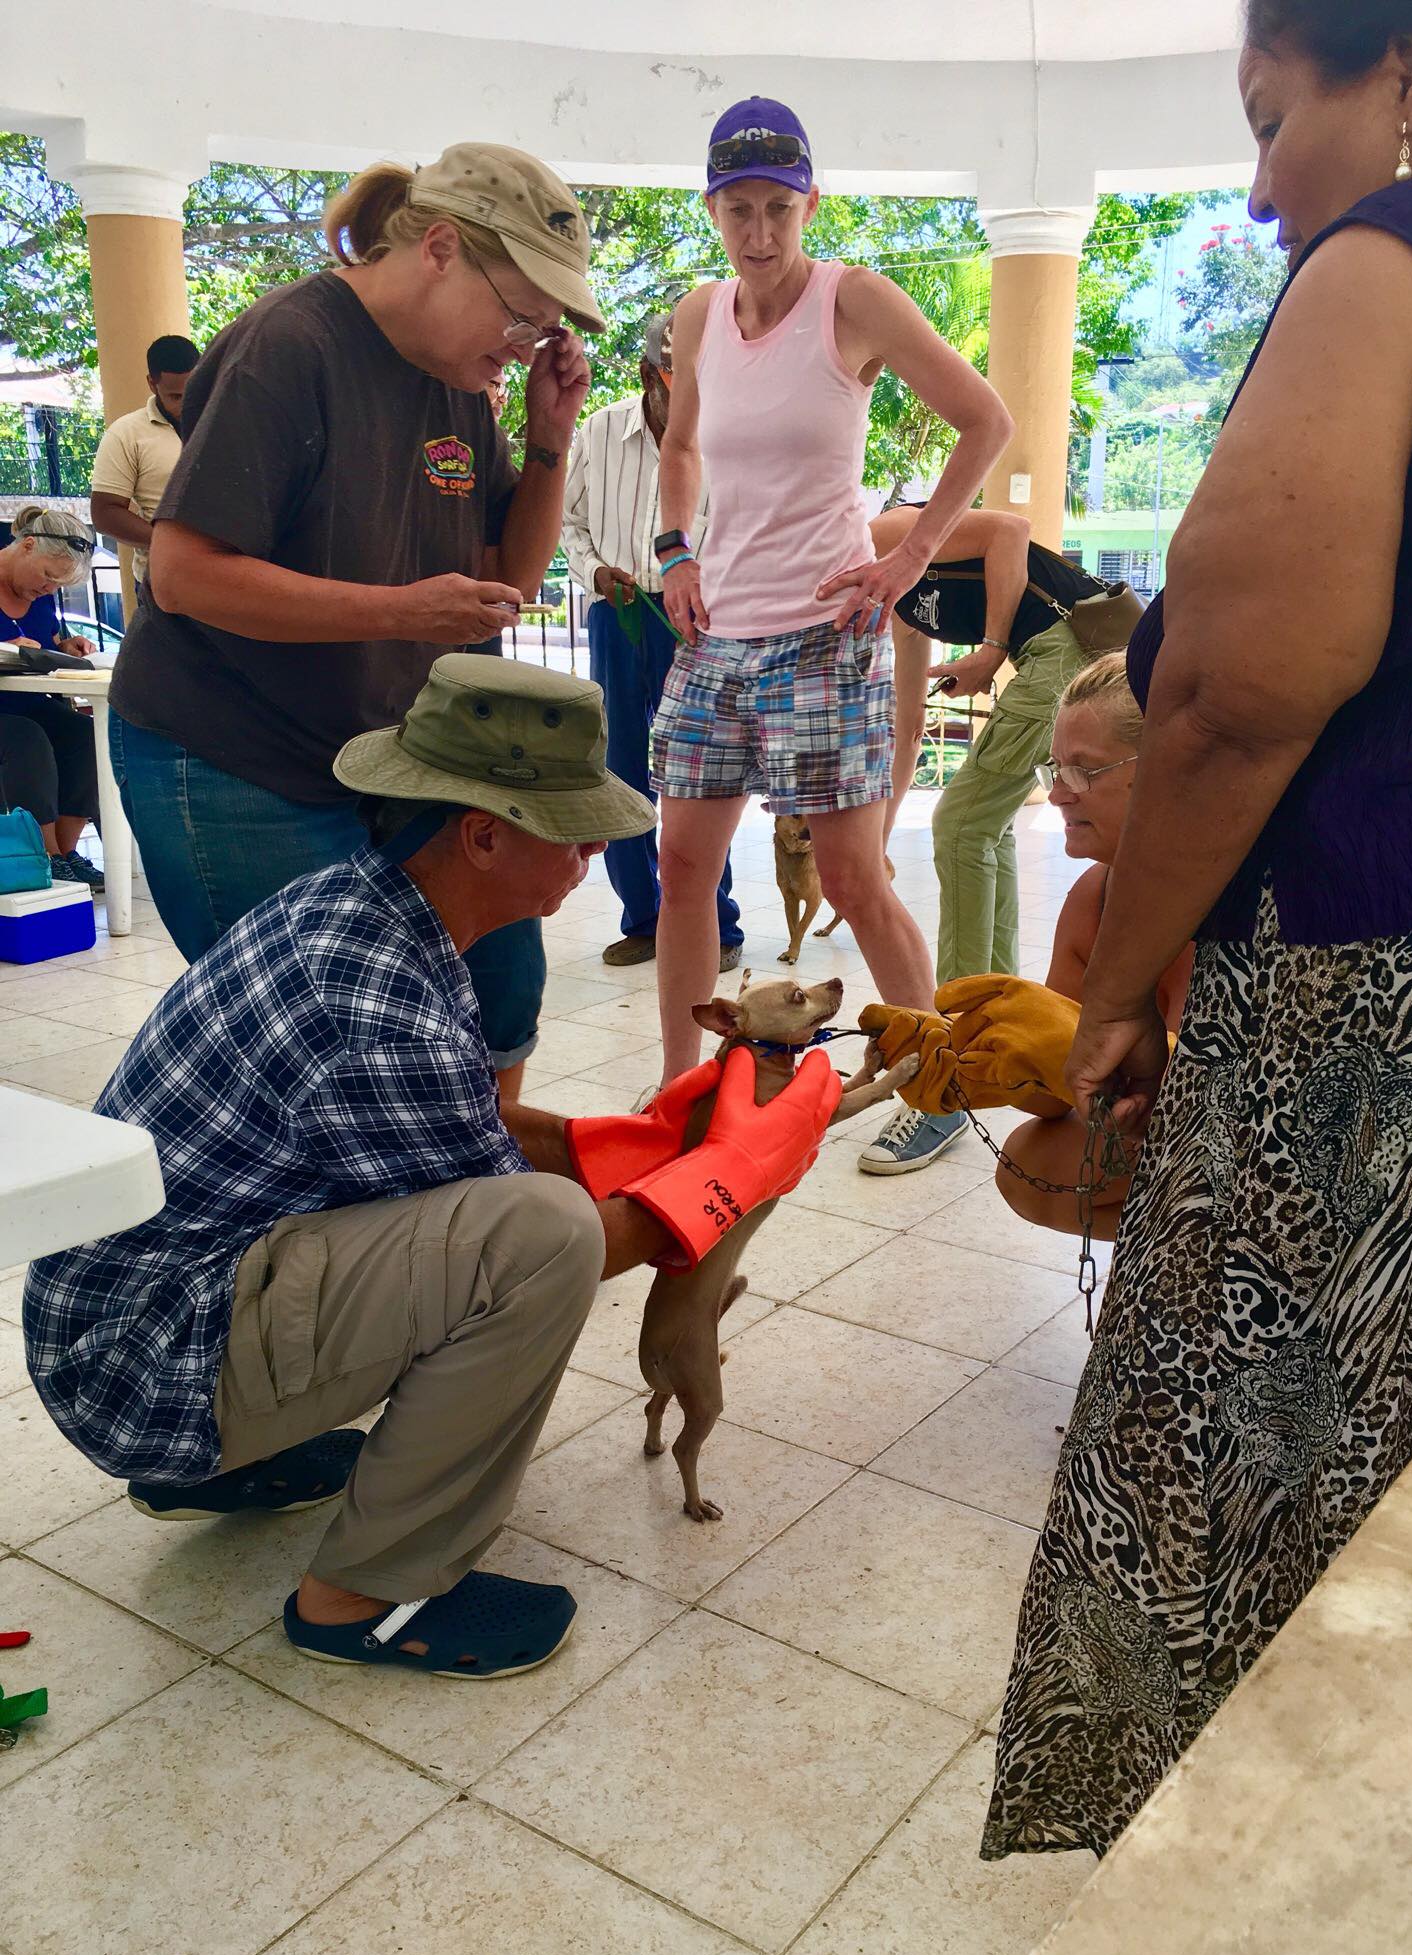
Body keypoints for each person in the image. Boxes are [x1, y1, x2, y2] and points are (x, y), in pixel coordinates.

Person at [987, 1, 1412, 1862]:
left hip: (1411, 1000)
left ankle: (1284, 1874)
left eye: (1270, 112)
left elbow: (1229, 692)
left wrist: (1126, 975)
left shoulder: (1396, 262)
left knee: (1284, 1473)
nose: (1255, 179)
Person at [23, 659, 840, 1680]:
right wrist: (732, 1168)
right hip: (142, 1368)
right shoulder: (374, 996)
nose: (593, 848)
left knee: (525, 1208)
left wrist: (635, 1139)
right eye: (574, 825)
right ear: (484, 832)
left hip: (126, 1321)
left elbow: (472, 1125)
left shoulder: (373, 909)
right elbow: (542, 1242)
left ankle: (229, 1466)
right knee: (541, 1240)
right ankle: (366, 1595)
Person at [107, 143, 603, 1111]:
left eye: (544, 326)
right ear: (442, 249)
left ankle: (475, 1195)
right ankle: (340, 1237)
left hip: (387, 753)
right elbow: (185, 575)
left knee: (501, 978)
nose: (525, 341)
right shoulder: (290, 343)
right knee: (318, 1043)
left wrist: (550, 435)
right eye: (521, 312)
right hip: (232, 750)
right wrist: (404, 610)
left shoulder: (460, 377)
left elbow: (510, 572)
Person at [650, 95, 1012, 1082]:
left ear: (812, 201)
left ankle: (937, 1087)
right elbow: (679, 444)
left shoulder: (853, 301)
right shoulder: (698, 316)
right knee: (682, 865)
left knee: (852, 875)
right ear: (713, 208)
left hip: (824, 631)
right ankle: (683, 1085)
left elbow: (986, 420)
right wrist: (675, 549)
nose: (760, 232)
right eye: (740, 210)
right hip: (717, 634)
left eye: (780, 207)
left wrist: (908, 559)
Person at [855, 503, 1104, 1173]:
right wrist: (877, 837)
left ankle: (955, 1069)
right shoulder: (898, 610)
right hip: (1048, 656)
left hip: (1070, 649)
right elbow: (909, 727)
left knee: (963, 825)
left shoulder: (876, 537)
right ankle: (998, 1025)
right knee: (980, 828)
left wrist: (991, 646)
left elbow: (1011, 530)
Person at [561, 310, 742, 970]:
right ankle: (644, 918)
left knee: (701, 771)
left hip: (696, 621)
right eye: (682, 382)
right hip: (620, 613)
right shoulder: (601, 430)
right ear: (649, 376)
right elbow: (568, 521)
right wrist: (594, 573)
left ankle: (717, 927)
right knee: (621, 769)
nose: (697, 399)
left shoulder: (726, 438)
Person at [991, 655, 1193, 1239]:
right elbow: (1051, 1102)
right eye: (1054, 769)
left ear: (1167, 768)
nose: (1056, 795)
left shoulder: (1249, 905)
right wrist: (990, 1051)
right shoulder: (1095, 896)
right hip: (1168, 1138)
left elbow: (1208, 1110)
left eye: (1083, 771)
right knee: (1032, 1164)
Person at [0, 505, 103, 888]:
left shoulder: (41, 595)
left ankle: (67, 851)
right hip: (11, 717)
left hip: (26, 701)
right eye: (47, 577)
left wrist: (67, 645)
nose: (48, 589)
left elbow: (48, 641)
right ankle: (43, 855)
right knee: (29, 740)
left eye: (58, 586)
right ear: (27, 546)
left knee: (83, 734)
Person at [89, 333, 200, 595]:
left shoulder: (226, 420)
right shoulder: (126, 433)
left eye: (193, 391)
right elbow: (105, 512)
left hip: (229, 577)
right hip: (164, 582)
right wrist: (167, 542)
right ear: (152, 383)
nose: (186, 405)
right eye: (175, 396)